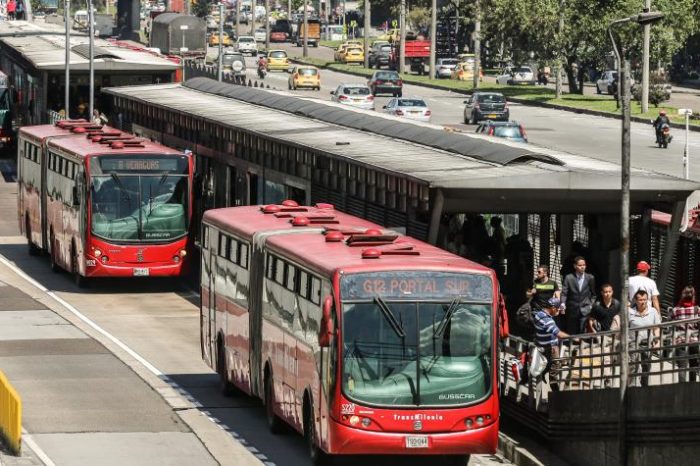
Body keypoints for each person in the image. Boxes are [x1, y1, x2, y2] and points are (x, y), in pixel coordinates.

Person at [532, 297, 570, 392]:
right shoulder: (548, 321)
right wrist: (573, 338)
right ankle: (555, 390)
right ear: (552, 308)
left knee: (552, 363)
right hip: (550, 348)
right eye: (557, 309)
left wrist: (560, 310)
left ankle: (546, 372)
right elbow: (559, 334)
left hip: (541, 345)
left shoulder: (539, 314)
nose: (558, 312)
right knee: (555, 369)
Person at [628, 290, 661, 387]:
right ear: (635, 300)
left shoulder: (653, 311)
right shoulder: (630, 312)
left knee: (646, 369)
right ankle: (633, 390)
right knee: (634, 369)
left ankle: (645, 389)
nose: (643, 302)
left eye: (645, 299)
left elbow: (656, 328)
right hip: (633, 345)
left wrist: (657, 341)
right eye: (640, 300)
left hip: (647, 345)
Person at [670, 286, 699, 383]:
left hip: (680, 341)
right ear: (693, 296)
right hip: (693, 341)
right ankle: (693, 388)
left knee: (682, 367)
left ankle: (681, 389)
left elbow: (670, 323)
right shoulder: (696, 309)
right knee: (693, 366)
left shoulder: (675, 310)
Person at [560, 256, 596, 335]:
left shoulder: (590, 278)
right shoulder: (569, 278)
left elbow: (593, 294)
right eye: (580, 265)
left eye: (584, 265)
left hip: (585, 309)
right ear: (575, 266)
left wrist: (591, 305)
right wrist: (562, 303)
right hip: (572, 309)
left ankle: (582, 344)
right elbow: (564, 293)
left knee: (582, 331)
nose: (582, 267)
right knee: (572, 332)